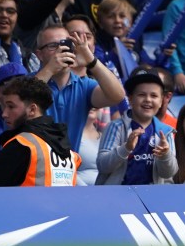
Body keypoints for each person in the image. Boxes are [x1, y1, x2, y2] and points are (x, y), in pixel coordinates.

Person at [0, 76, 81, 187]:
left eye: (11, 106)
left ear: (32, 110)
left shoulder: (22, 144)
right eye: (4, 107)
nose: (4, 114)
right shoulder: (68, 150)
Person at [32, 23, 125, 151]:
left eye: (65, 44)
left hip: (67, 168)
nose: (61, 50)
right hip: (34, 166)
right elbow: (23, 102)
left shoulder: (84, 85)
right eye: (53, 46)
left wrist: (91, 61)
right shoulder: (29, 81)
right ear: (39, 54)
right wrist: (50, 70)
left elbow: (118, 96)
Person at [96, 71, 177, 185]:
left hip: (151, 199)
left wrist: (165, 155)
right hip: (117, 198)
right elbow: (103, 166)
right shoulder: (116, 127)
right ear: (130, 99)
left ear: (161, 101)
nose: (148, 99)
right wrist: (126, 148)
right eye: (141, 95)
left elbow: (169, 174)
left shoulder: (165, 132)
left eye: (154, 95)